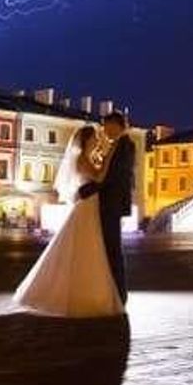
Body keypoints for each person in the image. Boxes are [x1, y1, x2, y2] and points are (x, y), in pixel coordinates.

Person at [13, 124, 125, 317]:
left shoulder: (86, 158)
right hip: (87, 207)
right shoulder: (82, 158)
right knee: (85, 248)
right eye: (95, 138)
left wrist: (103, 158)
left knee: (87, 248)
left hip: (89, 205)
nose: (98, 141)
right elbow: (98, 178)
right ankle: (81, 295)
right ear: (86, 140)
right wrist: (109, 157)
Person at [79, 112, 135, 304]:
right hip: (110, 203)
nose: (104, 130)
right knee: (110, 249)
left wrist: (88, 189)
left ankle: (119, 294)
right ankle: (115, 292)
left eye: (106, 125)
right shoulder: (117, 145)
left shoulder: (124, 145)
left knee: (113, 249)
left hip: (112, 204)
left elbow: (113, 177)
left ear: (116, 125)